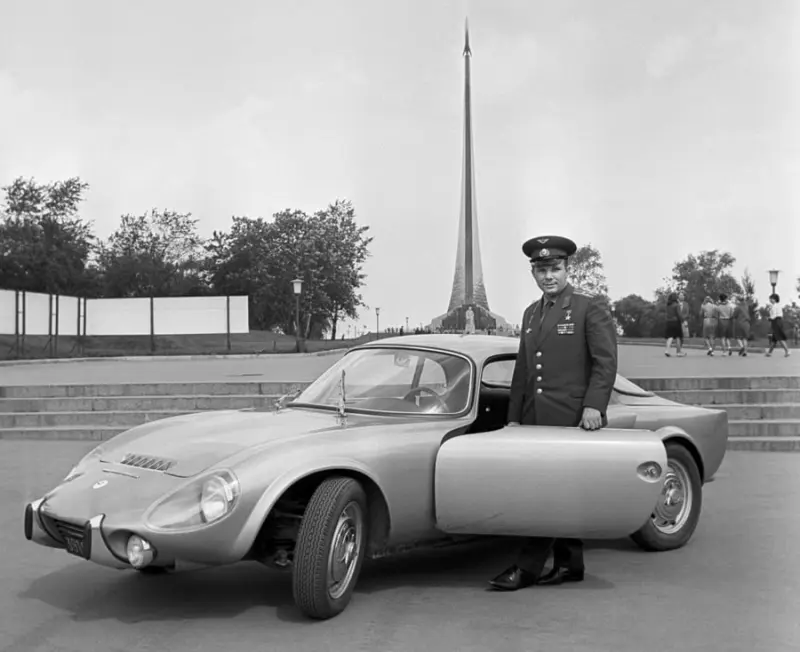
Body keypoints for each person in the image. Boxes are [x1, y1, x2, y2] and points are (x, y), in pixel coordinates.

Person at [488, 235, 618, 592]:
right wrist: (515, 417)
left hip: (572, 418)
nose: (549, 277)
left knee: (548, 494)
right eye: (542, 270)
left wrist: (594, 405)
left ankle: (526, 568)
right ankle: (569, 563)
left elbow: (605, 362)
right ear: (533, 273)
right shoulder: (531, 313)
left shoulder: (589, 307)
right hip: (535, 418)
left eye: (555, 269)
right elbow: (523, 370)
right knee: (556, 492)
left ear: (567, 269)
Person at [765, 294, 791, 358]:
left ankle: (787, 351)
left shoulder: (774, 306)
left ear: (775, 299)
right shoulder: (776, 306)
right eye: (770, 299)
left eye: (772, 298)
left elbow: (773, 316)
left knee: (779, 337)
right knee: (774, 339)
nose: (770, 300)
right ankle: (769, 352)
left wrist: (768, 318)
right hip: (777, 322)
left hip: (776, 321)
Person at [664, 292, 685, 357]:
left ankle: (667, 350)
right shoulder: (676, 305)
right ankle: (678, 352)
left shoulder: (667, 305)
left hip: (668, 322)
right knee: (678, 337)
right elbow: (679, 314)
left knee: (670, 337)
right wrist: (682, 320)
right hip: (676, 322)